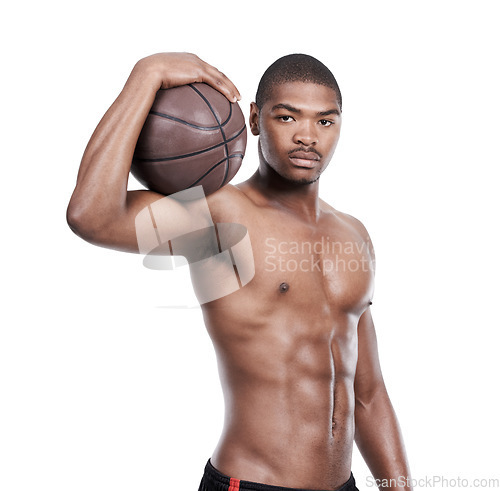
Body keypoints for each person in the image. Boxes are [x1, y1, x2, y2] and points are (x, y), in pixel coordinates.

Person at [67, 52, 412, 491]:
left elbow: (368, 394)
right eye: (287, 117)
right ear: (253, 119)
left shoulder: (354, 234)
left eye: (325, 122)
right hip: (250, 484)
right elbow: (90, 215)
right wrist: (146, 75)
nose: (308, 136)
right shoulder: (220, 216)